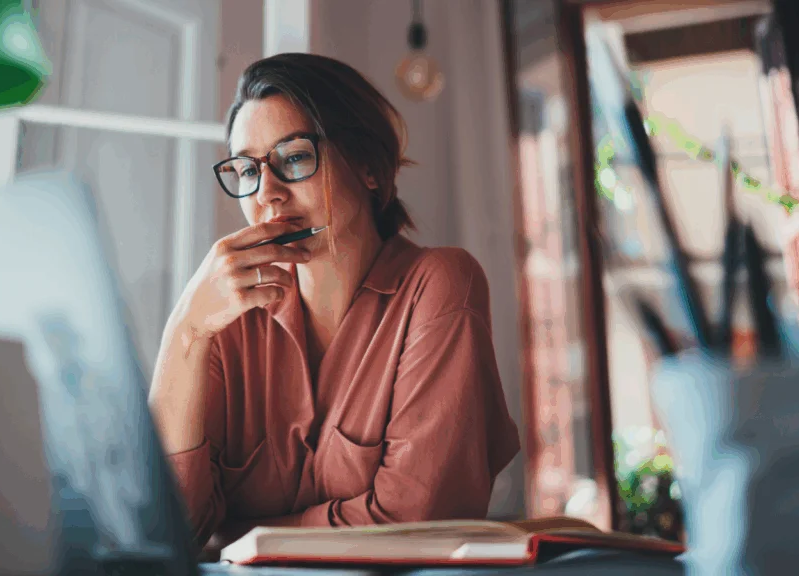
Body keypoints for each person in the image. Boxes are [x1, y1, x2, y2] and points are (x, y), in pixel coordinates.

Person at [148, 53, 520, 549]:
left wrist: (238, 536)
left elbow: (415, 520)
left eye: (295, 157)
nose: (268, 196)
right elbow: (167, 531)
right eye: (246, 170)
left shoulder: (440, 284)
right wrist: (185, 332)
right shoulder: (224, 321)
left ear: (368, 165)